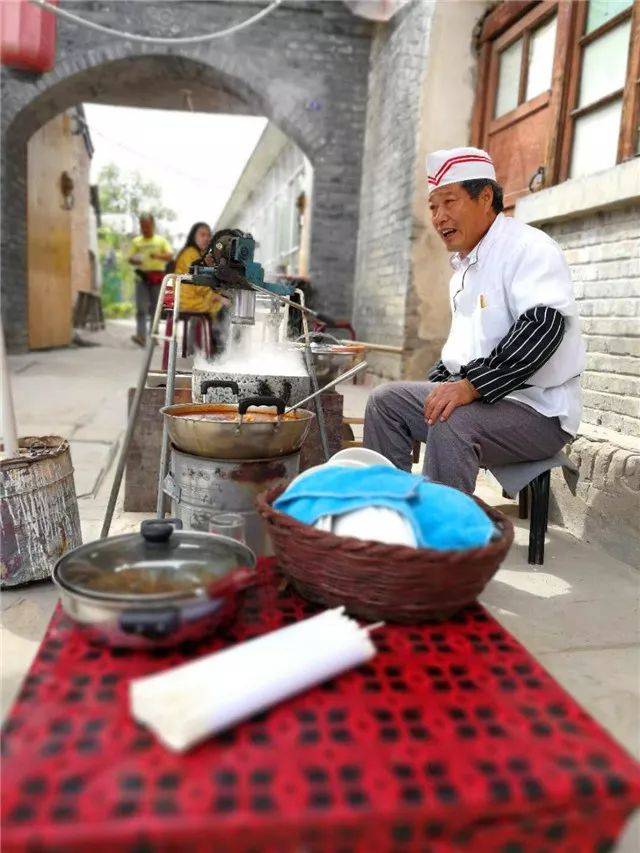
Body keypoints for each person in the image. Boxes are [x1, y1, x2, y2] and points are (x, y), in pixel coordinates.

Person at [363, 146, 586, 494]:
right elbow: (465, 352)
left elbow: (543, 327)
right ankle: (389, 509)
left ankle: (444, 540)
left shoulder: (528, 248)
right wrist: (443, 384)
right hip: (488, 401)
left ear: (484, 198)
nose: (438, 218)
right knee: (386, 401)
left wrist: (470, 387)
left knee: (451, 419)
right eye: (433, 207)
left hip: (538, 410)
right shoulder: (465, 269)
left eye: (449, 202)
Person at [129, 213, 173, 347]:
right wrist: (134, 259)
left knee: (155, 308)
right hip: (141, 277)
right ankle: (141, 336)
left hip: (157, 277)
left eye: (147, 226)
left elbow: (170, 256)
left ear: (152, 226)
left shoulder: (160, 241)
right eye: (142, 226)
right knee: (141, 308)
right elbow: (130, 258)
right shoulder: (136, 241)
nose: (145, 229)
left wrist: (157, 256)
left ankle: (153, 336)